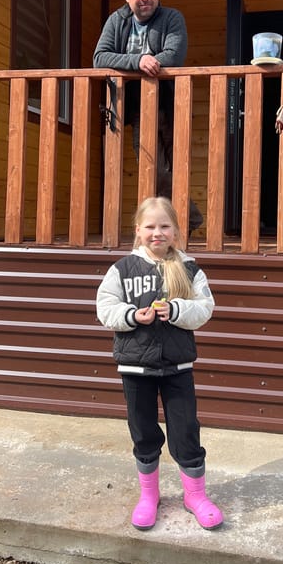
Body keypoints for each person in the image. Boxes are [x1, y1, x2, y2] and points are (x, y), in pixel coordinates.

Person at [96, 196, 223, 531]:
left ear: (175, 231)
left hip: (177, 368)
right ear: (138, 230)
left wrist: (177, 310)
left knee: (186, 431)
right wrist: (131, 316)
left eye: (165, 226)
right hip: (135, 369)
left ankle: (195, 496)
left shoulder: (189, 268)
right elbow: (105, 308)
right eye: (150, 226)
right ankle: (149, 496)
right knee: (143, 432)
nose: (157, 233)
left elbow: (205, 308)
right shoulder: (122, 269)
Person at [93, 0, 203, 232]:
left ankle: (181, 222)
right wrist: (139, 60)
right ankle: (188, 219)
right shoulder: (116, 21)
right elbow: (100, 58)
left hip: (170, 105)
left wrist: (143, 63)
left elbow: (173, 56)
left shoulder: (172, 18)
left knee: (175, 168)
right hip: (138, 109)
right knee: (154, 170)